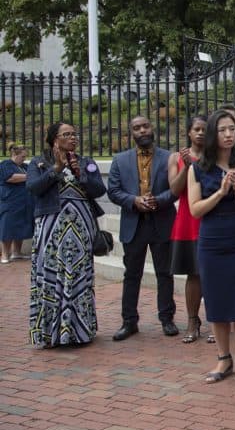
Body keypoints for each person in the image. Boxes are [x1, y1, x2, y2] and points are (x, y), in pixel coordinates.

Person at [188, 109, 235, 387]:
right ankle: (223, 358)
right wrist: (220, 192)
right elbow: (195, 210)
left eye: (232, 129)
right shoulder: (198, 168)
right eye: (223, 130)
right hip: (212, 240)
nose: (229, 134)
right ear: (212, 135)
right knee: (216, 300)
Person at [27, 122, 107, 347]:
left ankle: (79, 332)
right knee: (51, 277)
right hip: (51, 229)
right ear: (55, 140)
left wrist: (81, 174)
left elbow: (99, 190)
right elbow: (33, 188)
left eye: (74, 134)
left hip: (80, 230)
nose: (73, 137)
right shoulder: (39, 162)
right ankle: (50, 334)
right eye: (67, 134)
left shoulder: (85, 162)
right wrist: (56, 169)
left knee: (79, 276)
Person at [107, 116, 178, 341]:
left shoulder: (169, 157)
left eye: (145, 126)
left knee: (164, 274)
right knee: (132, 275)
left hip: (162, 221)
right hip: (134, 224)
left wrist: (159, 199)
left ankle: (167, 318)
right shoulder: (120, 160)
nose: (142, 130)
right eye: (136, 128)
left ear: (152, 127)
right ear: (131, 133)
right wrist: (134, 200)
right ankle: (129, 321)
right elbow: (113, 191)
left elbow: (177, 188)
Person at [168, 115, 208, 343]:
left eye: (204, 129)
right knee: (193, 273)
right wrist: (187, 167)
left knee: (213, 272)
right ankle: (193, 320)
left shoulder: (215, 156)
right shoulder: (176, 157)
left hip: (209, 217)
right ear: (189, 133)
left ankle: (215, 320)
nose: (201, 133)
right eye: (196, 129)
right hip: (187, 220)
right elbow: (174, 189)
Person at [0, 143, 33, 262]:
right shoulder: (5, 165)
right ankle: (4, 255)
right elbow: (10, 177)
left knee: (21, 227)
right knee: (7, 227)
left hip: (24, 202)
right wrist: (29, 176)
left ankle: (16, 252)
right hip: (10, 201)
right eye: (22, 156)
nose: (24, 159)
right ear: (14, 154)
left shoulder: (24, 166)